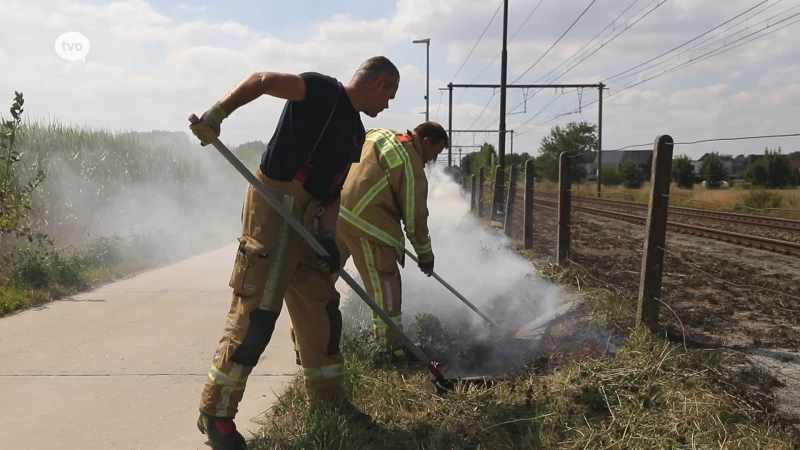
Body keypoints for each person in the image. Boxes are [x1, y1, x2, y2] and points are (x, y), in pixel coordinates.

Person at [188, 56, 400, 450]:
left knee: (322, 308)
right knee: (259, 312)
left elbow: (332, 194)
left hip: (308, 217)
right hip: (273, 203)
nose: (388, 106)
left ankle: (328, 403)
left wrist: (328, 237)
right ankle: (216, 413)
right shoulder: (320, 90)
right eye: (390, 96)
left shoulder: (355, 134)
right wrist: (217, 114)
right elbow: (263, 79)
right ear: (380, 84)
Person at [292, 122, 448, 367]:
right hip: (370, 228)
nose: (433, 160)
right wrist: (425, 256)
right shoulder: (411, 164)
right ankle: (390, 353)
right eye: (436, 153)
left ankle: (305, 345)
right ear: (426, 141)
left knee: (320, 281)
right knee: (386, 289)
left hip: (334, 215)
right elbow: (415, 216)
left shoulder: (378, 135)